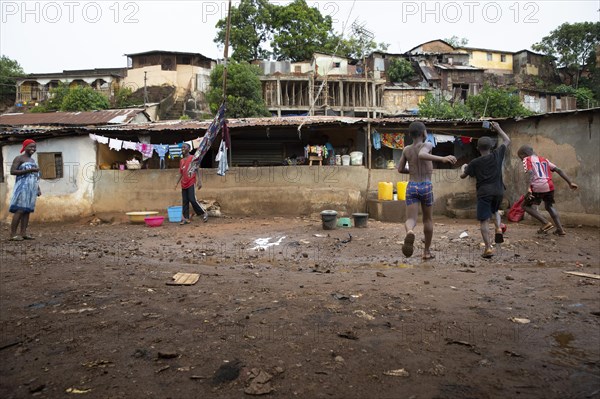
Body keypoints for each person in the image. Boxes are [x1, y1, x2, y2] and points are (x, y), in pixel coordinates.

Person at [397, 122, 457, 260]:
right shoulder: (427, 144)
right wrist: (442, 158)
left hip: (412, 185)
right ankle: (426, 252)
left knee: (411, 219)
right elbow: (422, 155)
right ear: (424, 133)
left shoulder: (406, 149)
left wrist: (411, 170)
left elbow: (400, 169)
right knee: (428, 220)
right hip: (426, 186)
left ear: (410, 135)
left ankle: (410, 231)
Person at [460, 122, 510, 258]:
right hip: (499, 190)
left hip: (484, 193)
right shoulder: (497, 155)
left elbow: (463, 176)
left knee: (484, 221)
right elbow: (507, 140)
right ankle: (499, 228)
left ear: (477, 148)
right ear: (492, 146)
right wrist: (498, 128)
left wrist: (464, 167)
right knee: (495, 211)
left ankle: (488, 248)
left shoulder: (474, 163)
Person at [517, 145, 578, 236]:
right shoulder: (544, 159)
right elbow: (559, 170)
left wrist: (529, 187)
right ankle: (560, 230)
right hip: (549, 186)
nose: (521, 160)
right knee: (549, 206)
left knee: (525, 206)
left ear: (524, 154)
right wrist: (570, 182)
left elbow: (530, 172)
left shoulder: (527, 159)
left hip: (537, 186)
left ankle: (545, 222)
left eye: (520, 157)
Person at [9, 139, 41, 241]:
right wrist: (30, 170)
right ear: (25, 147)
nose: (33, 149)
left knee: (27, 211)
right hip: (22, 186)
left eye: (34, 147)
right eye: (30, 147)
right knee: (20, 209)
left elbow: (35, 176)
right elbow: (12, 171)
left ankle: (23, 233)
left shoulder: (32, 161)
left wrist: (38, 188)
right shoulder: (19, 158)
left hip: (31, 188)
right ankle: (13, 234)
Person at [174, 143, 208, 225]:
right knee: (185, 201)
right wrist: (176, 183)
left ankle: (203, 213)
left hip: (191, 182)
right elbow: (181, 173)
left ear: (189, 149)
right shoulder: (181, 161)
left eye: (184, 147)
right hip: (183, 183)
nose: (183, 148)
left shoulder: (192, 158)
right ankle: (186, 218)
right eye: (182, 147)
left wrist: (199, 180)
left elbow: (196, 169)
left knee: (192, 199)